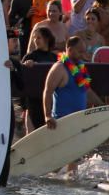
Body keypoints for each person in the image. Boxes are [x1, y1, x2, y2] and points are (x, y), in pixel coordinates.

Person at [43, 37, 103, 173]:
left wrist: (102, 106)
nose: (83, 55)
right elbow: (47, 91)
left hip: (78, 121)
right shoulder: (59, 68)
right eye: (80, 52)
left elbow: (86, 90)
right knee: (59, 160)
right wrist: (47, 115)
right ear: (69, 50)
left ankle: (71, 185)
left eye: (84, 51)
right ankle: (51, 188)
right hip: (62, 122)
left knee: (74, 157)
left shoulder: (80, 67)